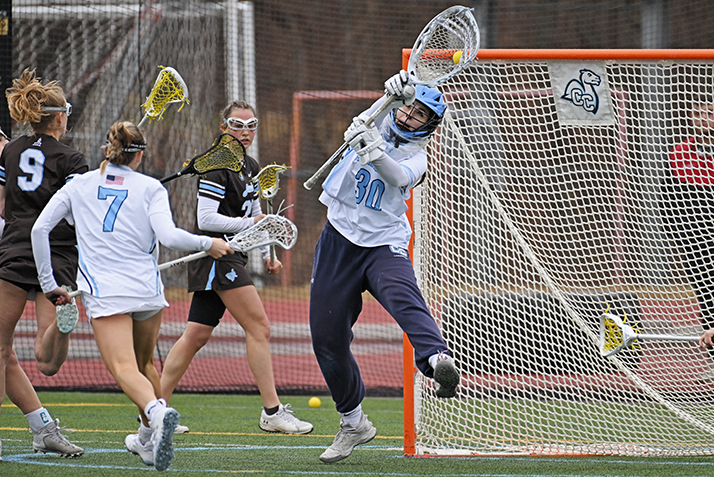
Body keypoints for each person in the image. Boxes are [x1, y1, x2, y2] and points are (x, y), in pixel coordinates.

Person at [31, 120, 233, 470]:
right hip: (146, 289)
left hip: (106, 292)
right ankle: (146, 440)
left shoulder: (77, 186)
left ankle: (156, 412)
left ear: (107, 150)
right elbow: (169, 237)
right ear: (139, 157)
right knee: (144, 365)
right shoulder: (151, 187)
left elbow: (39, 229)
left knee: (124, 367)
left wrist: (49, 283)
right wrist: (209, 243)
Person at [309, 71, 460, 463]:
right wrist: (393, 90)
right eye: (408, 109)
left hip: (382, 244)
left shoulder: (418, 157)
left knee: (402, 297)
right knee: (326, 339)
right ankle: (353, 421)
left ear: (430, 126)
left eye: (419, 116)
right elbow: (377, 113)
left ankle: (435, 358)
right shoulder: (379, 116)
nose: (409, 118)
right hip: (339, 237)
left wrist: (376, 149)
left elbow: (396, 177)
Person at [158, 100, 313, 435]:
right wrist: (251, 223)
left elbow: (257, 219)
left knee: (195, 336)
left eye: (251, 124)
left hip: (233, 255)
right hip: (215, 256)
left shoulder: (251, 165)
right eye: (237, 124)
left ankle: (152, 411)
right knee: (260, 327)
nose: (246, 131)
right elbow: (206, 219)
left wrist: (266, 252)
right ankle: (272, 412)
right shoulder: (216, 166)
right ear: (224, 127)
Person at [0, 69, 86, 458]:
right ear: (59, 117)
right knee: (46, 360)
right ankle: (43, 428)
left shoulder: (12, 152)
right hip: (58, 254)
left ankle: (39, 430)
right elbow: (75, 216)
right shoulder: (73, 159)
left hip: (15, 249)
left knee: (1, 351)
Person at [661, 97, 714, 380]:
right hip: (694, 239)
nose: (704, 117)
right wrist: (678, 239)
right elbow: (668, 200)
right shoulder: (678, 153)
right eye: (699, 112)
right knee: (706, 297)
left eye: (709, 112)